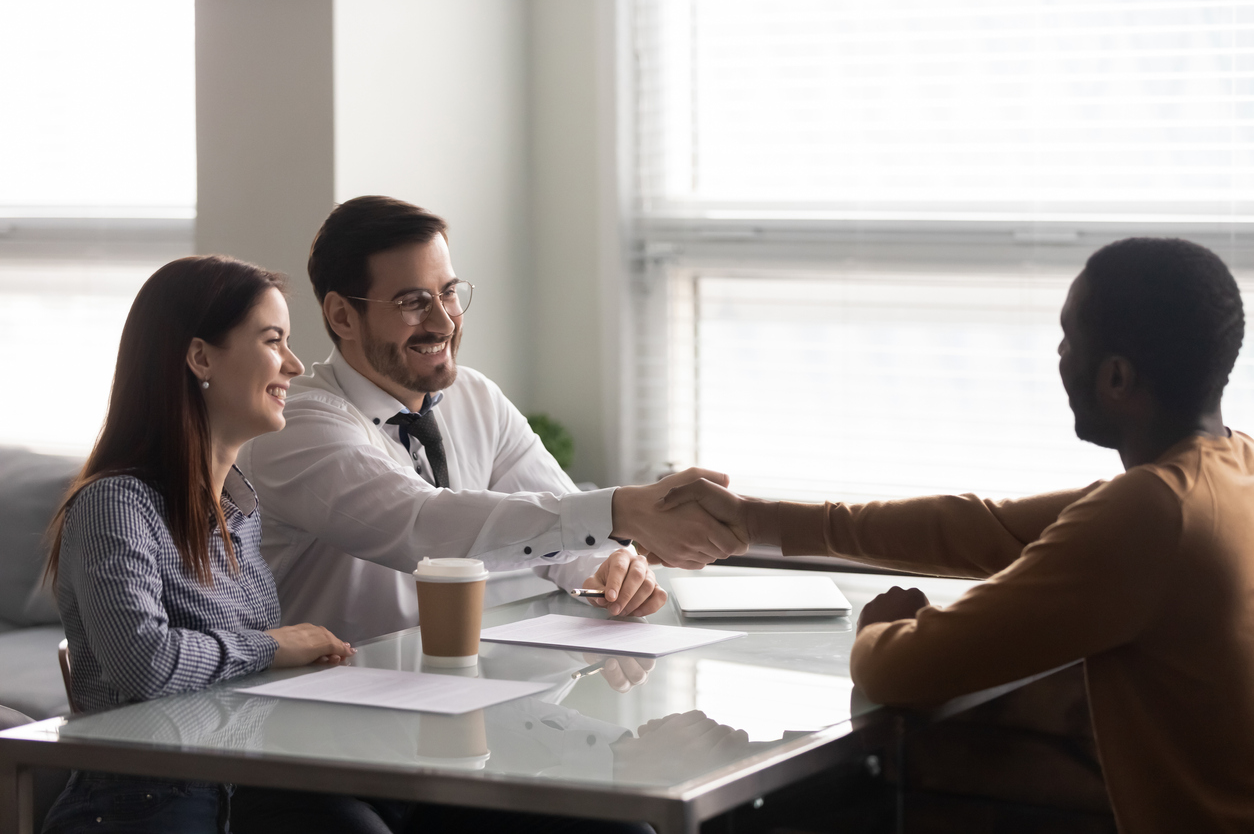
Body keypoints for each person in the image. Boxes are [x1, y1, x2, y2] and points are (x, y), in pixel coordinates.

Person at [658, 238, 1254, 832]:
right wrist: (758, 521)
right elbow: (981, 527)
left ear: (1117, 377)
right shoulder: (1230, 470)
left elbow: (900, 673)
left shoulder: (1153, 513)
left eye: (1070, 337)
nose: (1059, 352)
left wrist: (880, 627)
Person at [237, 196, 744, 646]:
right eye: (412, 303)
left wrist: (607, 568)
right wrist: (619, 510)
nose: (442, 321)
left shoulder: (474, 396)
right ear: (343, 316)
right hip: (323, 709)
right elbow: (421, 528)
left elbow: (563, 530)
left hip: (456, 689)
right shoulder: (296, 424)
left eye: (449, 292)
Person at [41, 256, 355, 834]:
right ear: (201, 357)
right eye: (273, 340)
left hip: (238, 791)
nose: (293, 362)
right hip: (145, 806)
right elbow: (144, 662)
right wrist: (269, 646)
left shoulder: (239, 509)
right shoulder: (117, 503)